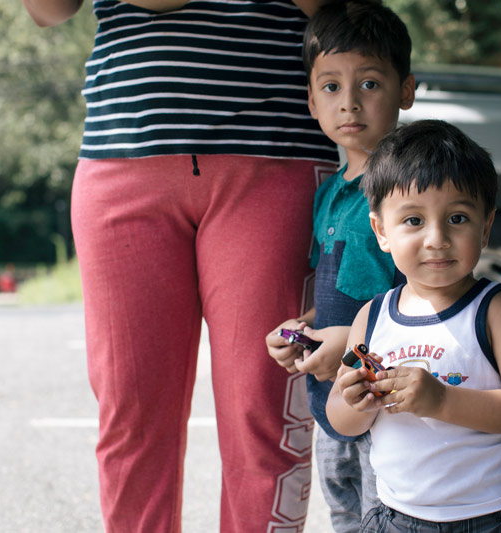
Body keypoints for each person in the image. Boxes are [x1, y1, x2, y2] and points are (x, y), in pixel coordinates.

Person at [21, 1, 338, 532]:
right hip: (123, 154)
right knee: (131, 416)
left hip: (272, 153)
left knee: (264, 410)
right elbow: (46, 9)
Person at [327, 119, 501, 532]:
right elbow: (341, 420)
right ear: (381, 231)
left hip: (492, 518)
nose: (436, 238)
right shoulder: (372, 316)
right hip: (396, 518)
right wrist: (353, 400)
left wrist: (441, 401)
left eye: (457, 218)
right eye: (413, 221)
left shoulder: (495, 309)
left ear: (485, 228)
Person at [265, 1, 415, 530]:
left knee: (392, 516)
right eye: (331, 87)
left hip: (390, 402)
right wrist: (301, 329)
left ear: (407, 90)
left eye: (369, 84)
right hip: (332, 403)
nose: (349, 102)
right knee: (345, 514)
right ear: (311, 100)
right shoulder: (328, 194)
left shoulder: (409, 193)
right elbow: (334, 289)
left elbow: (423, 297)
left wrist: (348, 344)